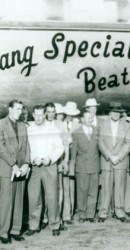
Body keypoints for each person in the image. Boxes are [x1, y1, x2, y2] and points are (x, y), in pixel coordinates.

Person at [26, 104, 64, 236]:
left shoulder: (52, 128)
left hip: (49, 166)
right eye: (36, 114)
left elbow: (60, 148)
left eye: (41, 114)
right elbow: (26, 148)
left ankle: (55, 224)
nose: (38, 117)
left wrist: (50, 158)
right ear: (33, 115)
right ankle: (33, 225)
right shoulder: (29, 129)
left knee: (52, 196)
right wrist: (32, 158)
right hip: (34, 168)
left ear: (45, 114)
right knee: (34, 196)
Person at [0, 99, 30, 244]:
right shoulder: (1, 124)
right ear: (10, 109)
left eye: (21, 109)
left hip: (21, 169)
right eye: (17, 109)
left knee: (19, 200)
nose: (20, 112)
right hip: (7, 169)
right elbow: (1, 147)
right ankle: (3, 232)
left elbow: (27, 146)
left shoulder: (22, 126)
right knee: (6, 201)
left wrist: (26, 164)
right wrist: (13, 165)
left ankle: (15, 230)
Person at [98, 102, 130, 222]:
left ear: (120, 114)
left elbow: (128, 143)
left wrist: (118, 157)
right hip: (107, 161)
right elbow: (100, 142)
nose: (116, 114)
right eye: (113, 111)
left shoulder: (126, 126)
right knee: (106, 187)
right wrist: (110, 156)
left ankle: (119, 212)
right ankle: (103, 212)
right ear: (110, 112)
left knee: (120, 187)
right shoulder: (103, 124)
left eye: (118, 112)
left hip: (121, 161)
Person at [69, 108, 100, 222]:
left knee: (93, 191)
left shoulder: (97, 130)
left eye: (91, 118)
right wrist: (72, 169)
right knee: (82, 191)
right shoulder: (76, 132)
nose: (89, 120)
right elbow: (73, 152)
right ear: (82, 119)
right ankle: (82, 214)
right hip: (82, 167)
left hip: (95, 166)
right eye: (87, 118)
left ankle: (90, 214)